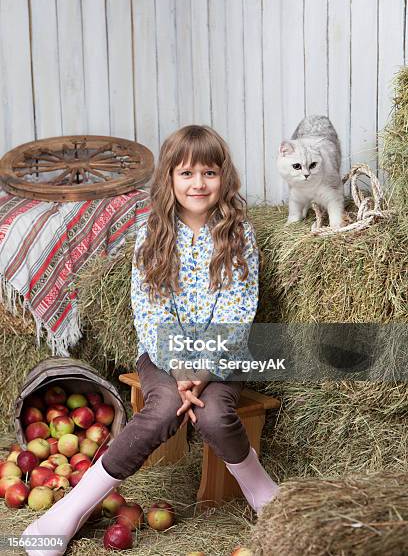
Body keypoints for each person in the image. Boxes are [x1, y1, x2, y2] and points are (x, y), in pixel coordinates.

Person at [22, 125, 279, 556]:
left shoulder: (239, 234)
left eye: (210, 173)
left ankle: (261, 492)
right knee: (162, 411)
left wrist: (201, 369)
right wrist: (180, 367)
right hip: (164, 357)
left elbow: (237, 312)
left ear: (224, 178)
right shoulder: (152, 233)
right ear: (170, 179)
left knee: (214, 416)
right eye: (187, 173)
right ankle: (68, 511)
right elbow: (150, 308)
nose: (199, 183)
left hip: (222, 358)